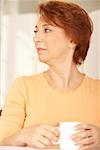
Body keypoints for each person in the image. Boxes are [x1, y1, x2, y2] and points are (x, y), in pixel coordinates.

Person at [0, 0, 100, 149]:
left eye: (47, 30)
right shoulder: (23, 86)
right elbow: (2, 141)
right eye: (36, 31)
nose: (36, 38)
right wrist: (23, 136)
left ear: (73, 39)